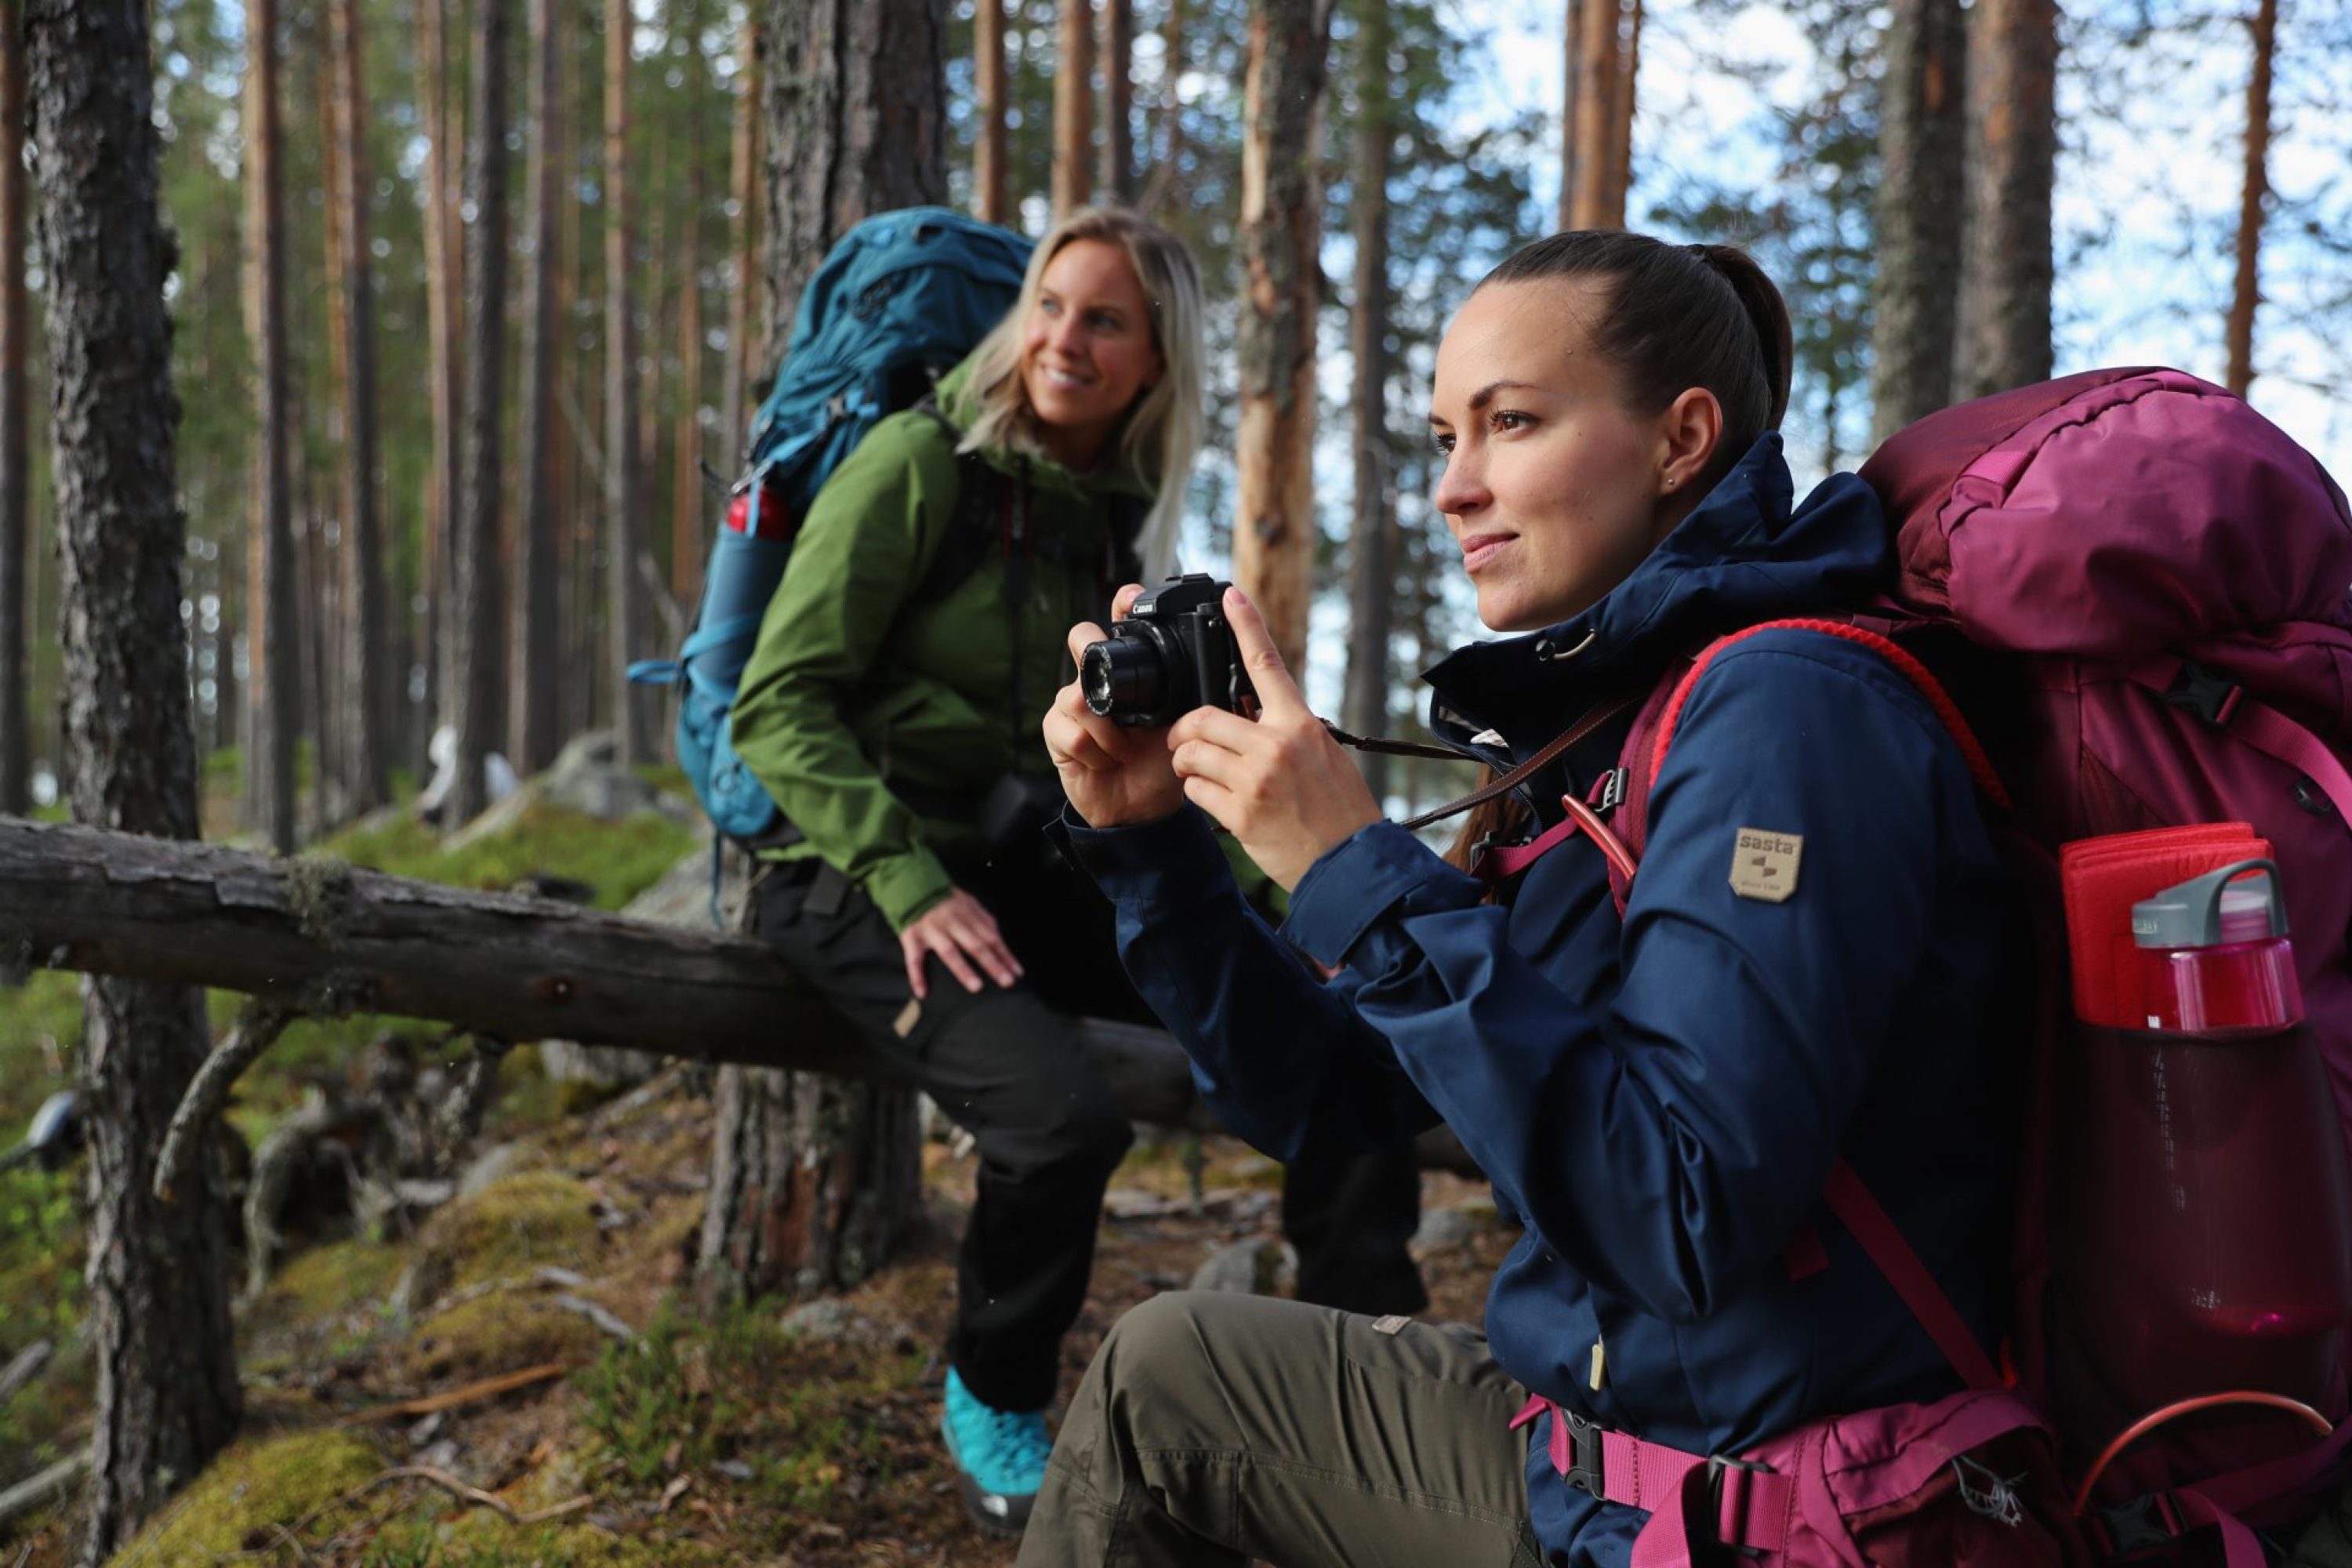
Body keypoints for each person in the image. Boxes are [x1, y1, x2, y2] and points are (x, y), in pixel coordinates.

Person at [1026, 230, 2018, 1566]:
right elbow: (1338, 1103)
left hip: (1776, 1513)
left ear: (1682, 440)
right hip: (1592, 1456)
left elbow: (1682, 1211)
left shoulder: (1792, 714)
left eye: (1511, 424)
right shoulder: (1598, 737)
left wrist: (1347, 865)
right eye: (1445, 438)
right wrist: (1157, 852)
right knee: (1168, 1375)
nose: (1454, 487)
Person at [725, 205, 1428, 1540]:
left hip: (1008, 853)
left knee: (1328, 1017)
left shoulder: (1106, 523)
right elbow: (779, 703)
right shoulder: (916, 466)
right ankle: (995, 1384)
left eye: (1106, 319)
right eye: (1051, 306)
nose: (1065, 339)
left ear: (1159, 359)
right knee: (1062, 1126)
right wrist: (905, 881)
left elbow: (1140, 767)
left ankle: (1371, 1354)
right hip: (842, 861)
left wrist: (1294, 908)